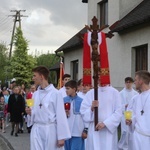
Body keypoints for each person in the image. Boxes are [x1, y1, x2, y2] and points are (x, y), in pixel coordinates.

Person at [30, 66, 71, 150]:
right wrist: (30, 112)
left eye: (34, 76)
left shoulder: (56, 94)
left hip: (50, 129)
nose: (33, 78)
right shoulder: (35, 94)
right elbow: (34, 112)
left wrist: (61, 137)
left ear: (41, 76)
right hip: (37, 129)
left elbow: (61, 115)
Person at [80, 84, 122, 150]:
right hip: (94, 127)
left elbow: (118, 112)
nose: (99, 77)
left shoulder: (114, 93)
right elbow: (83, 112)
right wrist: (91, 108)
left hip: (108, 130)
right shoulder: (90, 93)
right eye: (97, 74)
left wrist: (105, 123)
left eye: (100, 74)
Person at [126, 70, 150, 150]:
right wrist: (130, 120)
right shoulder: (135, 98)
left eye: (136, 80)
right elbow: (130, 112)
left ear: (141, 81)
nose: (134, 82)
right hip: (137, 136)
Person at [63, 80, 85, 150]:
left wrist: (85, 130)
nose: (66, 90)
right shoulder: (63, 100)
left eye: (68, 88)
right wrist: (65, 114)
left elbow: (85, 117)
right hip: (66, 131)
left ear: (74, 89)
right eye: (65, 89)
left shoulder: (82, 101)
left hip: (77, 131)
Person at [118, 77, 138, 150]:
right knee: (124, 131)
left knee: (131, 131)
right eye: (127, 82)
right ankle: (122, 146)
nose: (128, 84)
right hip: (125, 113)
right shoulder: (121, 93)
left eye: (130, 82)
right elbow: (118, 105)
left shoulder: (136, 93)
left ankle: (130, 146)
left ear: (132, 83)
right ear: (125, 83)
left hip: (132, 114)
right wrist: (124, 106)